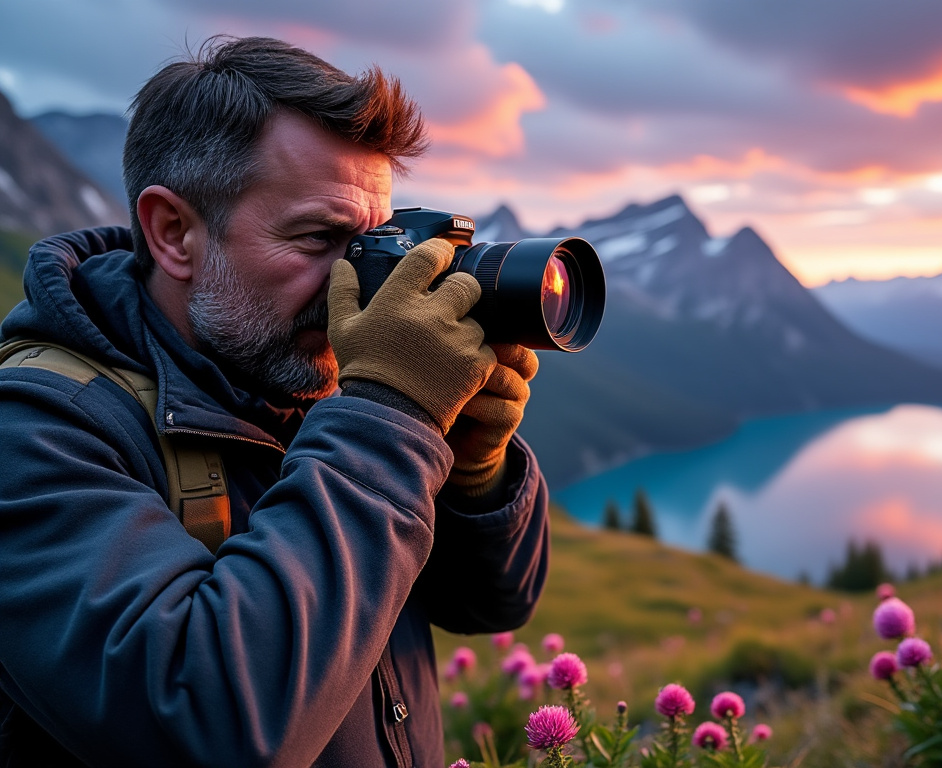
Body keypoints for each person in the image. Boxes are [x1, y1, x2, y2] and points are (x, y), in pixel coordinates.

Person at [0, 36, 548, 767]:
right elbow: (210, 721)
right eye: (319, 239)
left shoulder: (288, 373)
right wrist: (392, 415)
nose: (358, 288)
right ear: (174, 234)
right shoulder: (36, 430)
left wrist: (476, 473)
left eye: (373, 246)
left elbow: (491, 604)